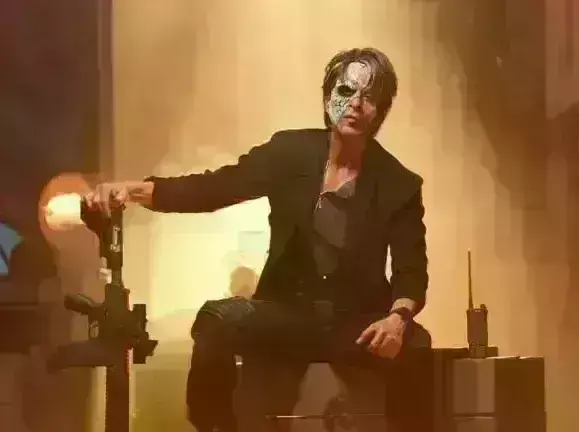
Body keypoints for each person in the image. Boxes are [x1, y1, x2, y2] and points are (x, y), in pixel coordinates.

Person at [84, 47, 430, 431]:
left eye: (369, 96)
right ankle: (214, 427)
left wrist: (398, 318)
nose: (355, 104)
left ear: (381, 110)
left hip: (354, 321)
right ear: (327, 97)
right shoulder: (289, 152)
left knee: (417, 344)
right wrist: (130, 191)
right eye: (345, 91)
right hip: (288, 312)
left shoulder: (399, 183)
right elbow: (215, 188)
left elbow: (411, 270)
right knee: (216, 319)